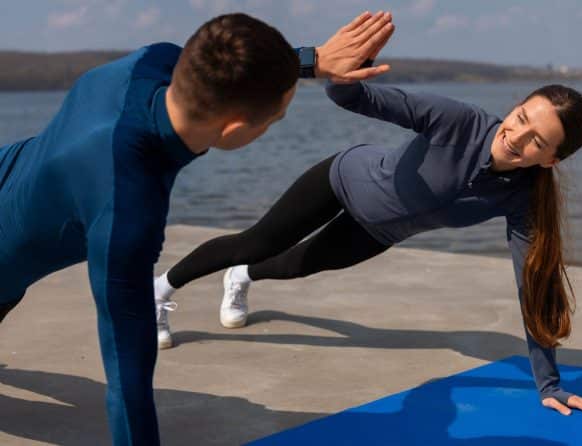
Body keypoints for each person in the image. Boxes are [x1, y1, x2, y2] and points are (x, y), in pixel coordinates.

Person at [0, 11, 394, 445]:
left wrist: (312, 60)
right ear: (236, 129)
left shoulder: (151, 62)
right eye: (272, 122)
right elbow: (126, 380)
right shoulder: (127, 206)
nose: (269, 128)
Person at [154, 70, 582, 417]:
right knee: (254, 241)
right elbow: (354, 96)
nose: (517, 137)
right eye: (520, 119)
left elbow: (532, 285)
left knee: (298, 265)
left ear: (551, 159)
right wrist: (337, 70)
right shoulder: (458, 121)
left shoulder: (523, 198)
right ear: (514, 107)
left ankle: (243, 278)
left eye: (537, 142)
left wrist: (549, 385)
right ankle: (161, 290)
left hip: (379, 232)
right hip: (340, 180)